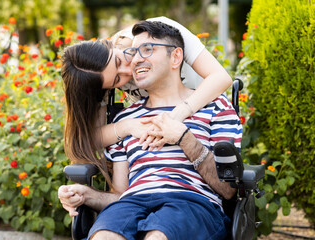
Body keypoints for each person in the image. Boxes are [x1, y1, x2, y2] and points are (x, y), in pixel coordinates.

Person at [58, 21, 242, 240]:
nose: (133, 63)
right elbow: (120, 194)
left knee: (158, 236)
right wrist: (87, 195)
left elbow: (228, 190)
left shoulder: (216, 106)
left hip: (190, 202)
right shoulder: (125, 119)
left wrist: (184, 137)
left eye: (146, 51)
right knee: (104, 236)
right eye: (134, 53)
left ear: (175, 58)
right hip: (131, 203)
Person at [60, 17, 232, 183]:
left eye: (120, 61)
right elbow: (87, 139)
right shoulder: (101, 74)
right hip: (154, 153)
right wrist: (126, 126)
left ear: (110, 45)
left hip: (199, 114)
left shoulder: (159, 32)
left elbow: (221, 77)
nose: (128, 70)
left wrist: (176, 115)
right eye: (117, 80)